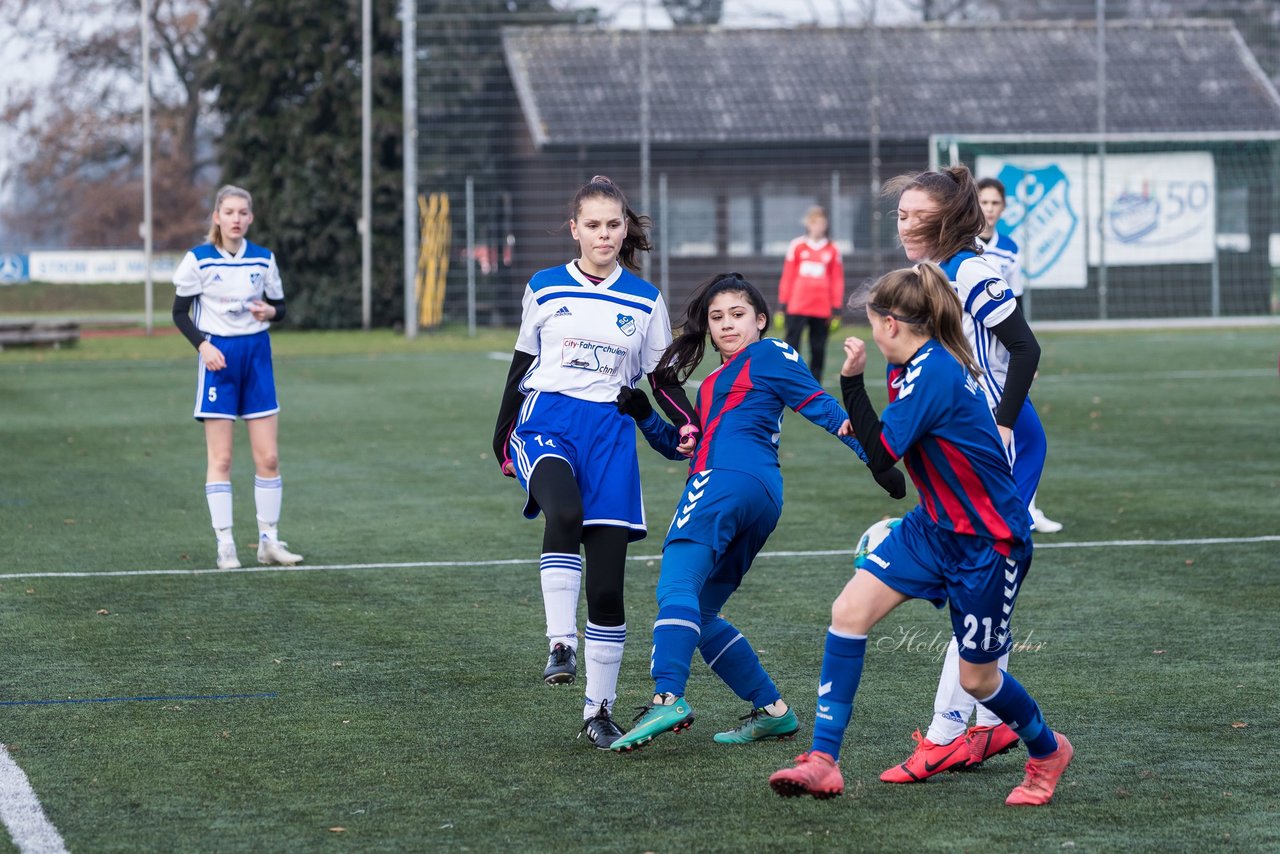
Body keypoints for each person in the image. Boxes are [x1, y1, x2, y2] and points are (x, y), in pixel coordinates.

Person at [768, 263, 1073, 806]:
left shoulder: (933, 370)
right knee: (848, 613)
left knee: (979, 681)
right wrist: (861, 413)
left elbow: (883, 452)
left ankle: (1047, 750)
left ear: (890, 325)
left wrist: (848, 385)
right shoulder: (908, 364)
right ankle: (823, 760)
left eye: (870, 321)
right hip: (933, 528)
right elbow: (892, 465)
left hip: (989, 542)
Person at [606, 272, 905, 754]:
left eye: (738, 314)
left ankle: (667, 696)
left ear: (761, 320)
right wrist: (644, 413)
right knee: (701, 613)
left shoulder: (768, 353)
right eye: (717, 317)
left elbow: (822, 407)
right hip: (757, 496)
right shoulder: (710, 386)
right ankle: (772, 711)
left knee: (676, 588)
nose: (726, 325)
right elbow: (684, 447)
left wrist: (876, 459)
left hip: (725, 482)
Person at [492, 175, 699, 749]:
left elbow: (661, 378)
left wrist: (685, 420)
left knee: (608, 591)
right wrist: (501, 432)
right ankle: (561, 642)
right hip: (548, 422)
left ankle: (597, 712)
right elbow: (521, 362)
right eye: (594, 225)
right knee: (564, 512)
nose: (604, 234)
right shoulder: (545, 286)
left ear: (624, 228)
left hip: (611, 436)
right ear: (575, 229)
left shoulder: (645, 299)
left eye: (614, 225)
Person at [875, 165, 1053, 784]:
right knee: (973, 584)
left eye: (914, 213)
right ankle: (979, 722)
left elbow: (1025, 349)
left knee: (975, 579)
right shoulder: (924, 277)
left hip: (1000, 439)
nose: (903, 222)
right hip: (968, 438)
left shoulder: (971, 272)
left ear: (946, 219)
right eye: (899, 213)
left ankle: (951, 730)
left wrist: (1002, 423)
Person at [172, 185, 303, 571]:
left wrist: (270, 313)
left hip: (257, 358)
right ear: (216, 216)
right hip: (219, 360)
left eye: (243, 213)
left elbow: (280, 307)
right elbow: (179, 313)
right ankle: (225, 543)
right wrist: (202, 346)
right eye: (229, 212)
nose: (236, 219)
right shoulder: (198, 260)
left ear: (251, 217)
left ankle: (268, 541)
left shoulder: (263, 260)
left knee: (269, 456)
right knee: (223, 458)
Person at [977, 176, 1063, 535]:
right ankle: (1003, 516)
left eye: (995, 203)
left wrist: (1024, 353)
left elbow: (1015, 304)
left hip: (1005, 355)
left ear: (1004, 208)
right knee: (1010, 437)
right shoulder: (964, 252)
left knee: (1022, 437)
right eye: (984, 202)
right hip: (981, 362)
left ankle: (1025, 508)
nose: (989, 209)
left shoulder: (1008, 248)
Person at [776, 206, 845, 384]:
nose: (818, 227)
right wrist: (783, 303)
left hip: (821, 308)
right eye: (814, 223)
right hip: (797, 305)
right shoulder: (797, 246)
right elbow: (788, 276)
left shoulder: (832, 249)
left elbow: (837, 279)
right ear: (808, 224)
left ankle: (814, 384)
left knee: (818, 348)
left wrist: (836, 307)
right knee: (791, 346)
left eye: (822, 223)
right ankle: (788, 380)